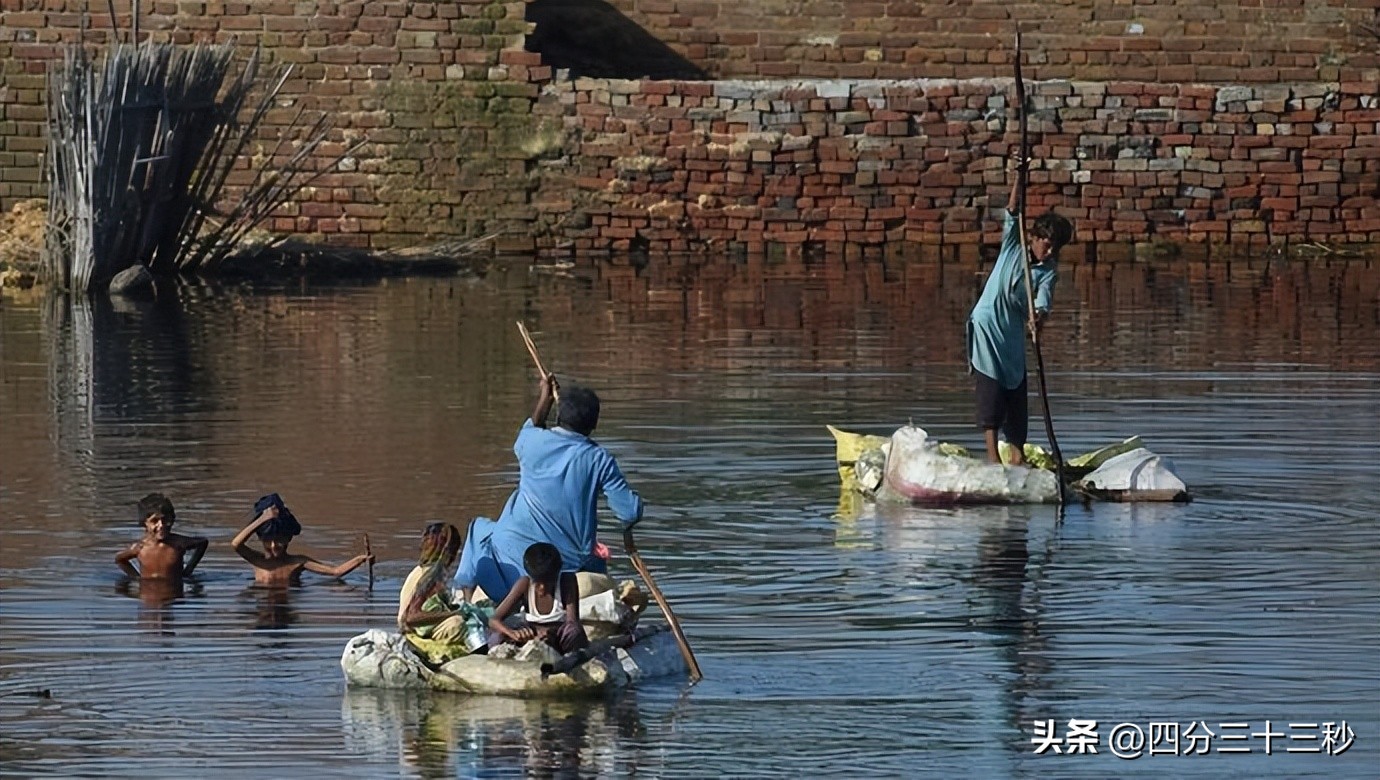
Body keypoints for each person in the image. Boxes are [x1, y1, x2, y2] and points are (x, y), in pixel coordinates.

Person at [454, 373, 643, 603]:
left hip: (509, 565)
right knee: (595, 560)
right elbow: (629, 513)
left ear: (559, 416)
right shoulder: (598, 459)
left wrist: (545, 398)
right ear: (593, 425)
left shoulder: (530, 442)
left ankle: (464, 598)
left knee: (478, 529)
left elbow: (534, 425)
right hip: (564, 569)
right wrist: (634, 508)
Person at [967, 155, 1073, 465]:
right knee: (991, 390)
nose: (1049, 252)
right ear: (1035, 238)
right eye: (1046, 244)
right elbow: (1013, 211)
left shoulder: (1048, 271)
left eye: (1055, 248)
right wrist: (1019, 175)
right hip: (987, 326)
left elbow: (1043, 301)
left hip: (1012, 334)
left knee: (1016, 389)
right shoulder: (1013, 245)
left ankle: (1017, 455)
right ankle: (993, 459)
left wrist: (1038, 318)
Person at [230, 493, 373, 586]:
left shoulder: (297, 562)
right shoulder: (257, 560)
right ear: (260, 538)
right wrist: (262, 519)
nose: (273, 546)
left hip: (286, 607)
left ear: (288, 538)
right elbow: (236, 544)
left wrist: (361, 559)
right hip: (263, 607)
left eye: (279, 540)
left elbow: (335, 571)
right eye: (268, 541)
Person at [487, 542, 588, 654]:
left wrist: (549, 634)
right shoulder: (524, 584)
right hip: (530, 636)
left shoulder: (567, 581)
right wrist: (513, 634)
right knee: (497, 637)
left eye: (548, 582)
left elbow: (572, 621)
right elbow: (494, 620)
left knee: (574, 632)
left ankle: (570, 659)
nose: (542, 587)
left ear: (556, 574)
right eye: (537, 583)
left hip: (558, 638)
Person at [115, 493, 208, 582]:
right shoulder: (140, 548)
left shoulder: (179, 543)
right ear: (144, 523)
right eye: (154, 521)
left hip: (175, 591)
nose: (161, 525)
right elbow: (119, 559)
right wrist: (136, 577)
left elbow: (203, 542)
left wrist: (189, 570)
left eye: (166, 520)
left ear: (172, 520)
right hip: (148, 591)